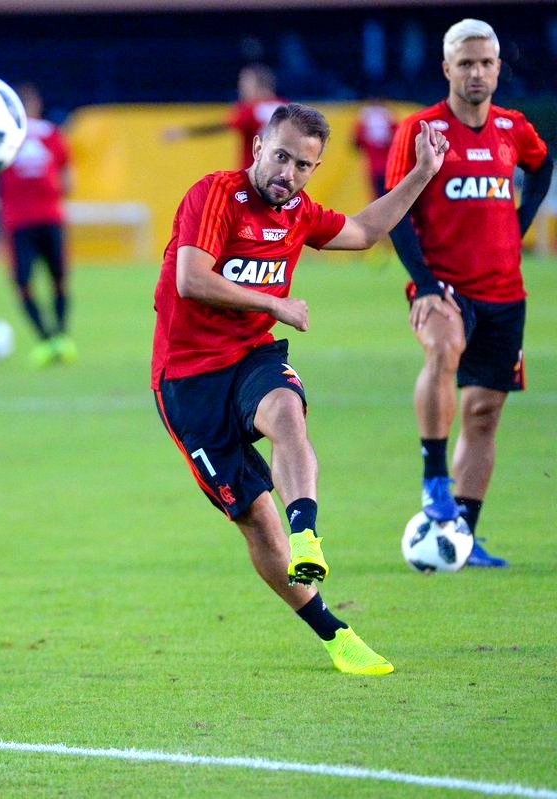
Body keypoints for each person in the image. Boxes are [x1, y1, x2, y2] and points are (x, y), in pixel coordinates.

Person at [152, 103, 449, 674]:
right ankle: (335, 636)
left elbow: (363, 231)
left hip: (251, 355)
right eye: (282, 155)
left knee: (288, 411)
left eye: (304, 165)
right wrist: (275, 303)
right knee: (256, 521)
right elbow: (192, 279)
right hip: (188, 380)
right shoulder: (217, 194)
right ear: (259, 147)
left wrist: (421, 174)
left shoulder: (299, 212)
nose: (288, 172)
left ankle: (307, 535)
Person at [386, 19, 553, 568]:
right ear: (447, 69)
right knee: (442, 349)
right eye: (466, 63)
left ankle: (462, 536)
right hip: (444, 287)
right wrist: (426, 285)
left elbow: (542, 161)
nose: (476, 73)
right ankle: (434, 475)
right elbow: (397, 215)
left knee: (483, 414)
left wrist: (519, 221)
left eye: (485, 63)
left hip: (506, 292)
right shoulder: (421, 130)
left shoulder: (512, 128)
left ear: (498, 69)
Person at [0, 83, 75, 367]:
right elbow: (69, 180)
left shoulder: (2, 137)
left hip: (22, 219)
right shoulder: (51, 134)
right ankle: (58, 338)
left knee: (25, 282)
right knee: (55, 278)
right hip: (46, 217)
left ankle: (49, 339)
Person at [164, 64, 287, 169]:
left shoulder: (251, 110)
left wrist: (185, 132)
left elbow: (221, 127)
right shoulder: (287, 108)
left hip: (253, 180)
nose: (241, 89)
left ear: (259, 86)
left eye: (244, 84)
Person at [353, 99, 398, 199]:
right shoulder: (390, 121)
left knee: (380, 200)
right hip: (388, 169)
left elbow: (356, 144)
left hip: (379, 169)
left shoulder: (365, 124)